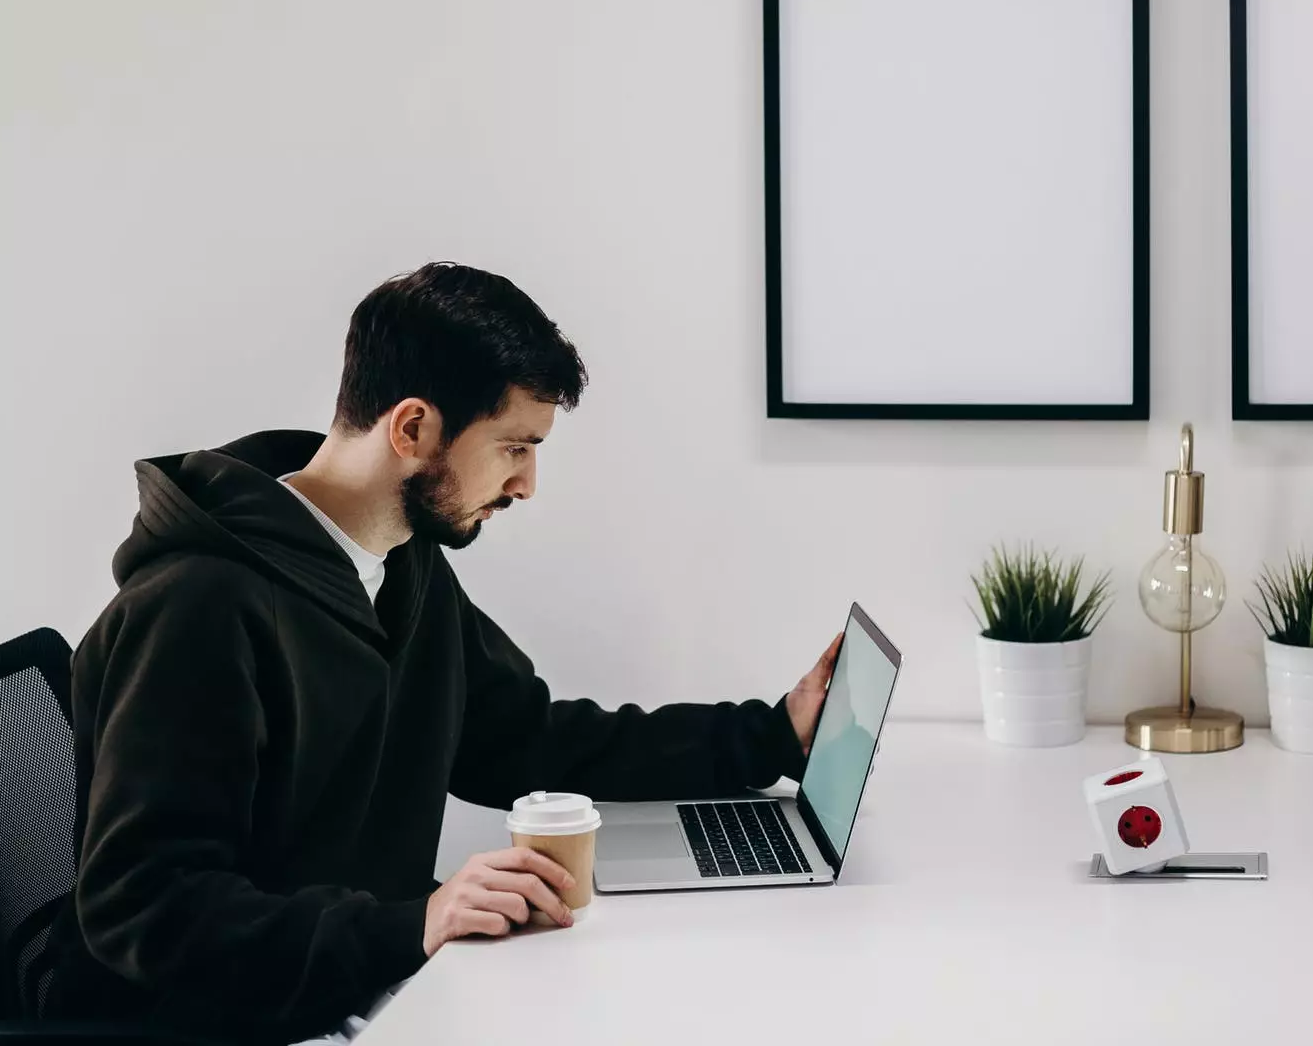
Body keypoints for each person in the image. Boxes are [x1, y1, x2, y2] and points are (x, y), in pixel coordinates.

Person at [41, 263, 841, 1045]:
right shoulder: (198, 607)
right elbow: (145, 905)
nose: (527, 483)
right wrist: (411, 925)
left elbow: (520, 738)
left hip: (359, 979)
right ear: (414, 428)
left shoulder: (401, 563)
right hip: (235, 1018)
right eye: (513, 447)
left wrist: (770, 736)